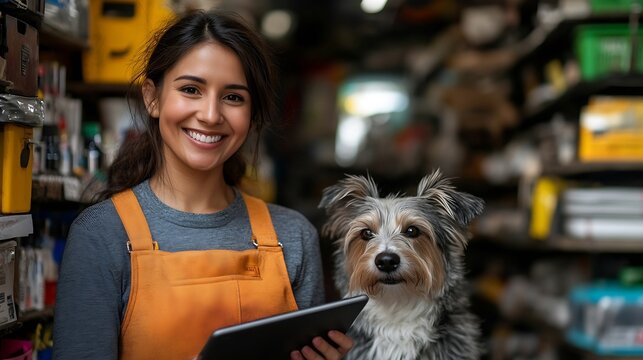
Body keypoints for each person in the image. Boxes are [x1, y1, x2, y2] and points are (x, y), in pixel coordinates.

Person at [53, 9, 353, 360]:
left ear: (252, 114)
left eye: (233, 97)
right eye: (191, 89)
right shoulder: (102, 235)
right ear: (152, 97)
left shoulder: (293, 236)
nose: (211, 115)